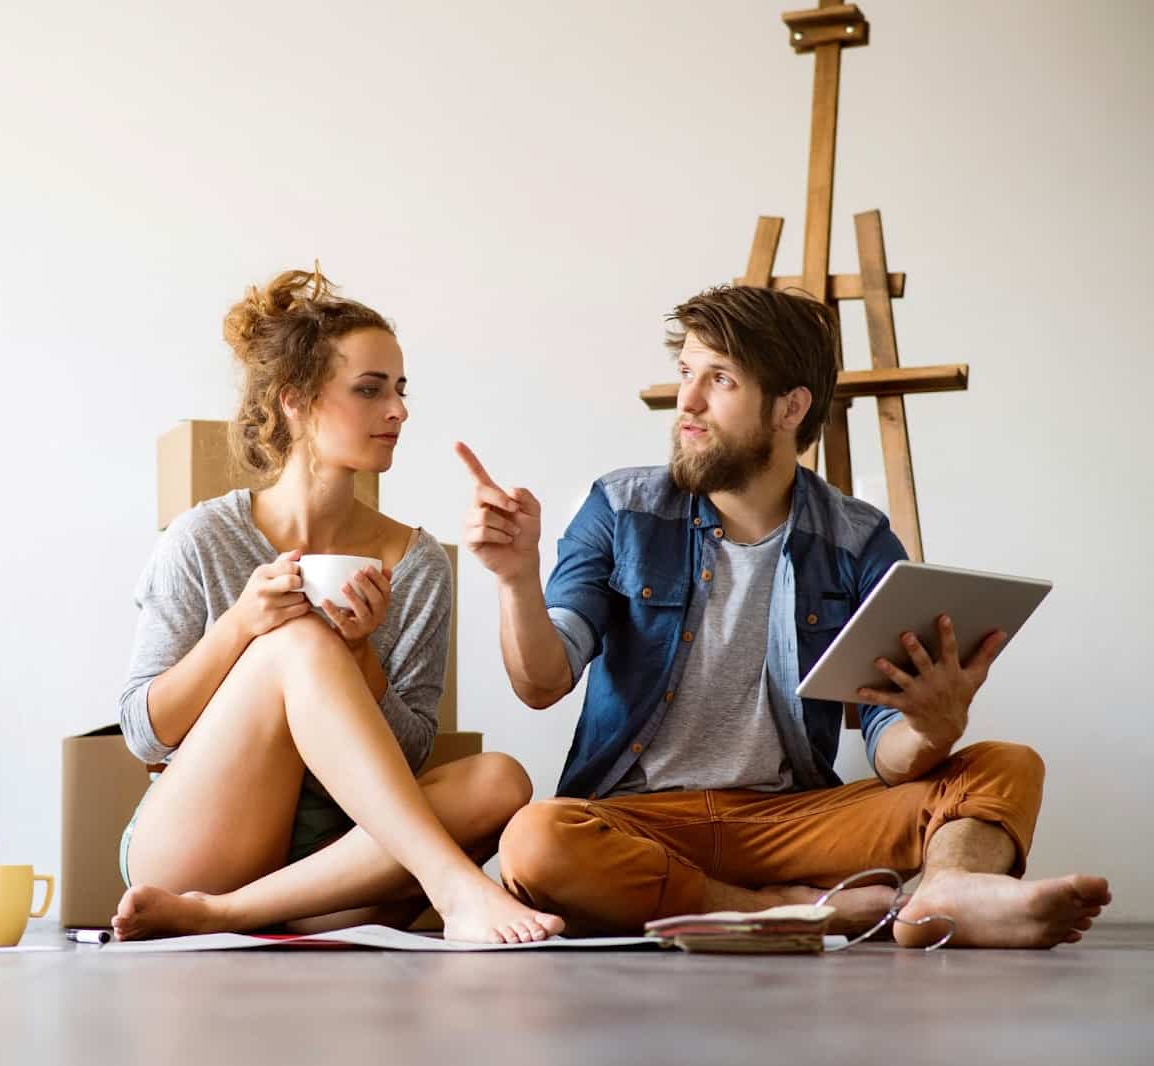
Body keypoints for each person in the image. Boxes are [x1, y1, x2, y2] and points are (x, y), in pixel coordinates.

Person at [457, 284, 1110, 947]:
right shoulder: (620, 509)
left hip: (789, 820)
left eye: (720, 379)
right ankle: (773, 909)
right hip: (638, 821)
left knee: (1006, 764)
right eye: (687, 373)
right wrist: (516, 579)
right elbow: (542, 682)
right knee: (536, 840)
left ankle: (943, 896)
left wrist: (931, 728)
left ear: (790, 407)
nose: (686, 399)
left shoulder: (858, 540)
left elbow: (891, 755)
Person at [112, 267, 563, 943]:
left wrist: (361, 655)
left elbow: (408, 755)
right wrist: (242, 627)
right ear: (295, 400)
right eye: (370, 390)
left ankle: (229, 917)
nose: (399, 412)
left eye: (401, 391)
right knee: (296, 643)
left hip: (334, 869)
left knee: (501, 780)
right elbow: (144, 734)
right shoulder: (203, 537)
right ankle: (456, 889)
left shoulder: (417, 563)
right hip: (200, 845)